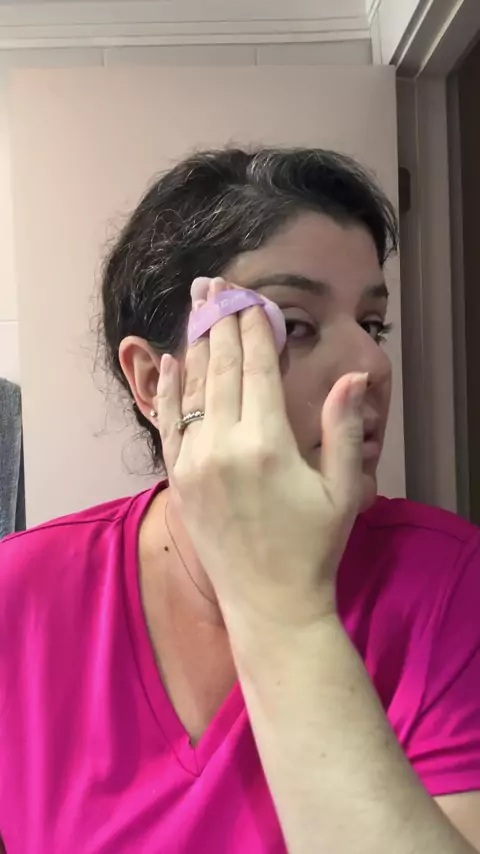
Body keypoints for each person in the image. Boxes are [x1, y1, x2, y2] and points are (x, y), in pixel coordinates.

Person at [0, 147, 479, 854]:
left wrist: (286, 612)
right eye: (296, 324)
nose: (374, 364)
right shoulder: (20, 591)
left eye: (372, 324)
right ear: (151, 381)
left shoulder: (450, 580)